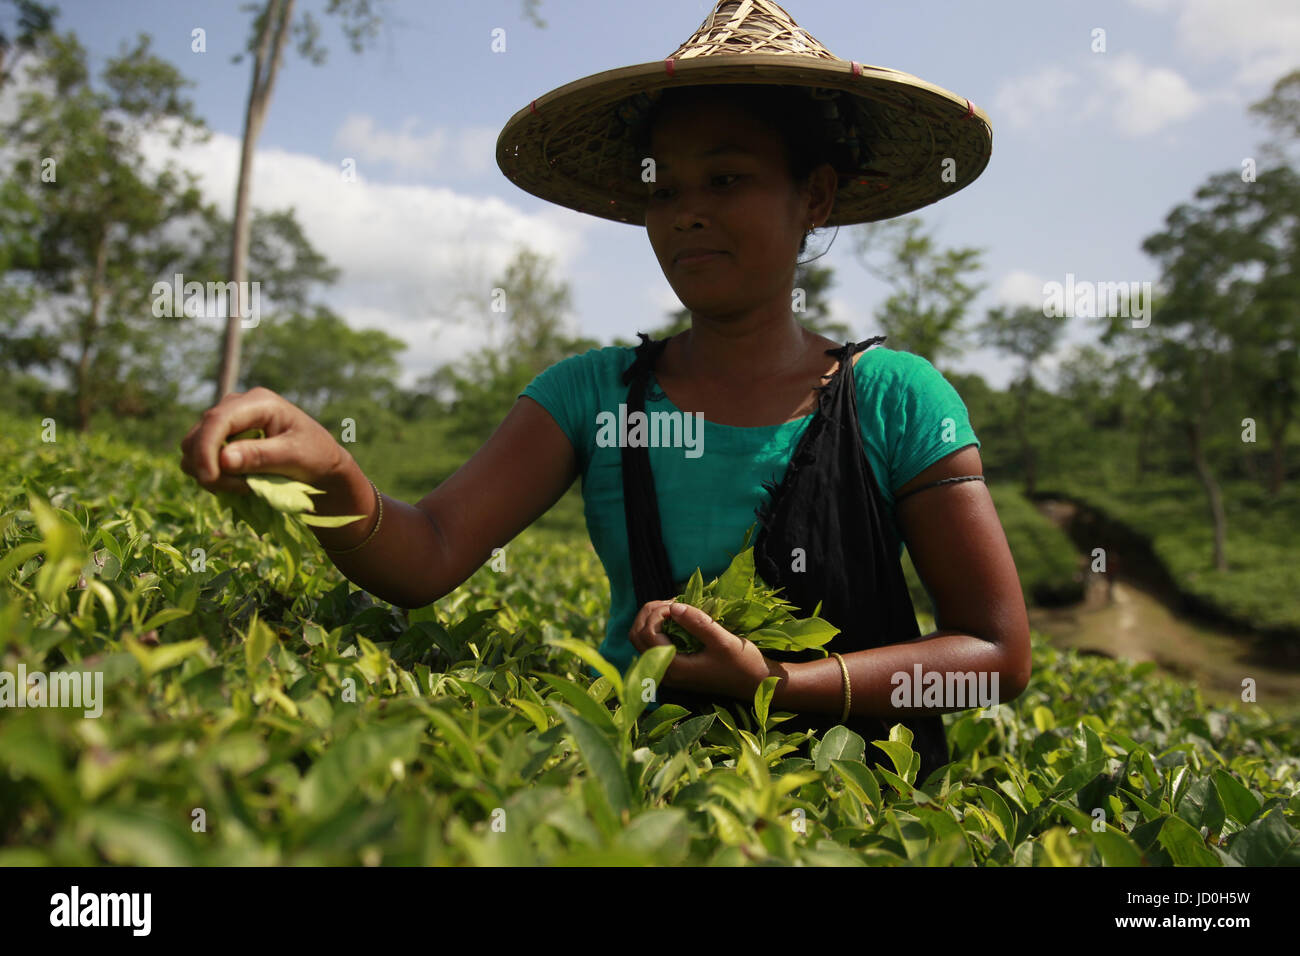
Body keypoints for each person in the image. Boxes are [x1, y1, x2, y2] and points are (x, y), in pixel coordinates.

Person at [179, 0, 1030, 781]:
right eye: (663, 190)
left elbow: (995, 658)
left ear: (815, 194)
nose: (686, 213)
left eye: (726, 180)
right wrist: (332, 475)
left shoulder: (894, 399)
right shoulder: (590, 396)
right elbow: (427, 552)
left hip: (852, 811)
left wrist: (783, 682)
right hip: (635, 780)